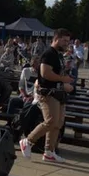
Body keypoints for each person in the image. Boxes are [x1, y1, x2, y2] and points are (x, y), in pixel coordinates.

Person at [20, 28, 73, 163]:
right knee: (50, 121)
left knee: (57, 123)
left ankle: (49, 151)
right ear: (56, 39)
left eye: (68, 41)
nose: (67, 43)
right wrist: (63, 79)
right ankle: (28, 141)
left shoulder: (58, 55)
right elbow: (45, 74)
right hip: (49, 93)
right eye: (64, 40)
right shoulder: (49, 53)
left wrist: (65, 81)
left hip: (58, 93)